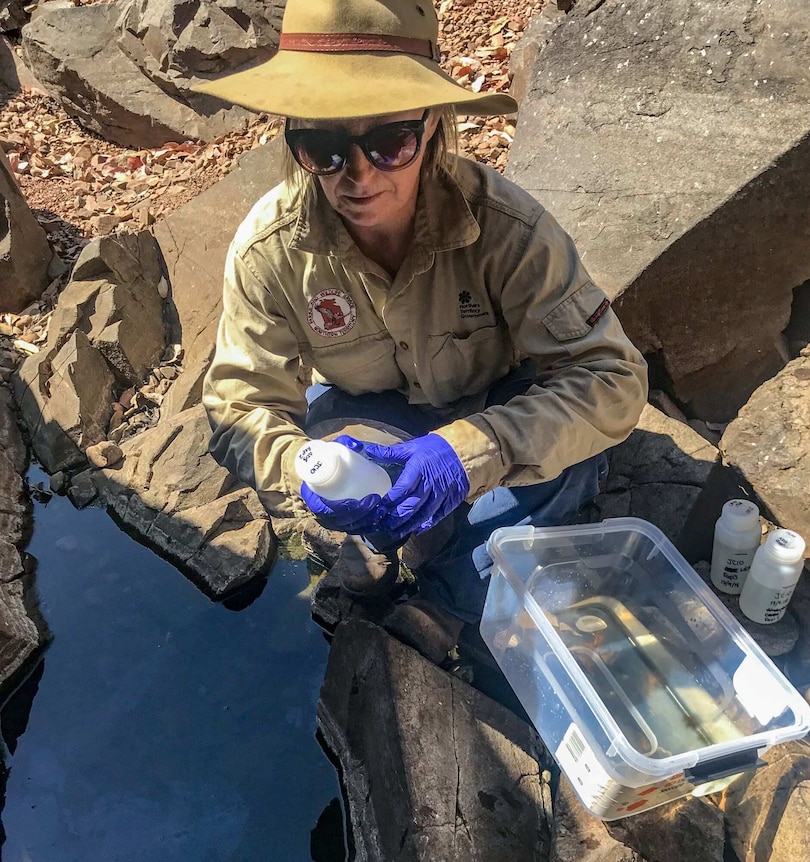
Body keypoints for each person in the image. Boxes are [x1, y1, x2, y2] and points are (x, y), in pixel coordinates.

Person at [195, 0, 648, 664]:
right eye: (321, 146)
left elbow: (613, 380)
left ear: (434, 128)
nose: (359, 175)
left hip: (502, 406)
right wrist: (299, 470)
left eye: (389, 142)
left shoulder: (509, 232)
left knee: (557, 476)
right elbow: (238, 407)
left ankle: (448, 606)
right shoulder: (270, 248)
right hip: (369, 417)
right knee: (350, 508)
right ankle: (400, 563)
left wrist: (471, 453)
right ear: (293, 140)